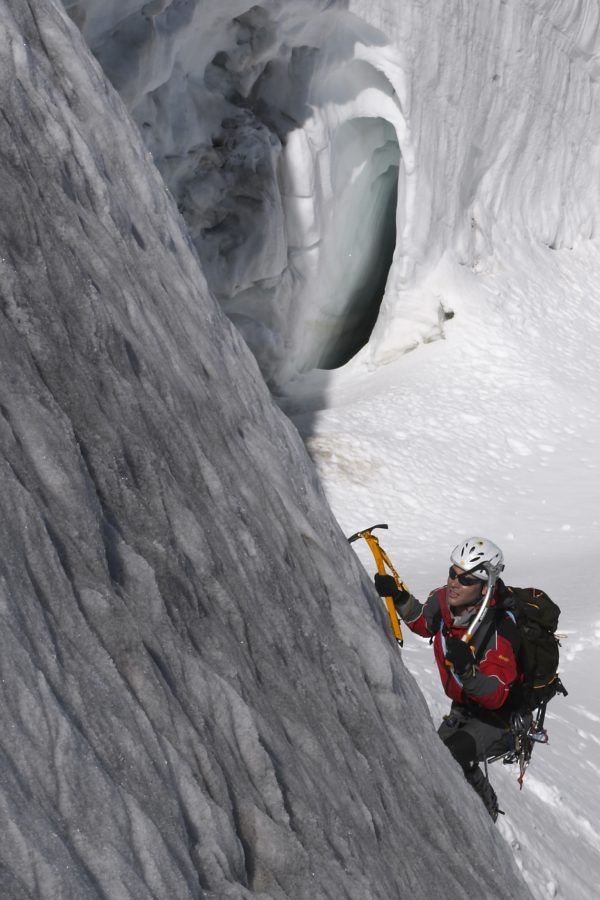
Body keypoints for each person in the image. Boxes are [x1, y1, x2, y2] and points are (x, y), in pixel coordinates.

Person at [374, 536, 521, 821]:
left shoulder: (499, 627)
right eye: (453, 574)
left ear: (483, 587)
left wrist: (468, 671)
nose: (454, 583)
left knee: (451, 757)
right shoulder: (443, 600)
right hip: (463, 709)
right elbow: (424, 623)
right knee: (431, 760)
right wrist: (399, 597)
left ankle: (484, 812)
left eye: (465, 579)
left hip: (497, 719)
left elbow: (497, 694)